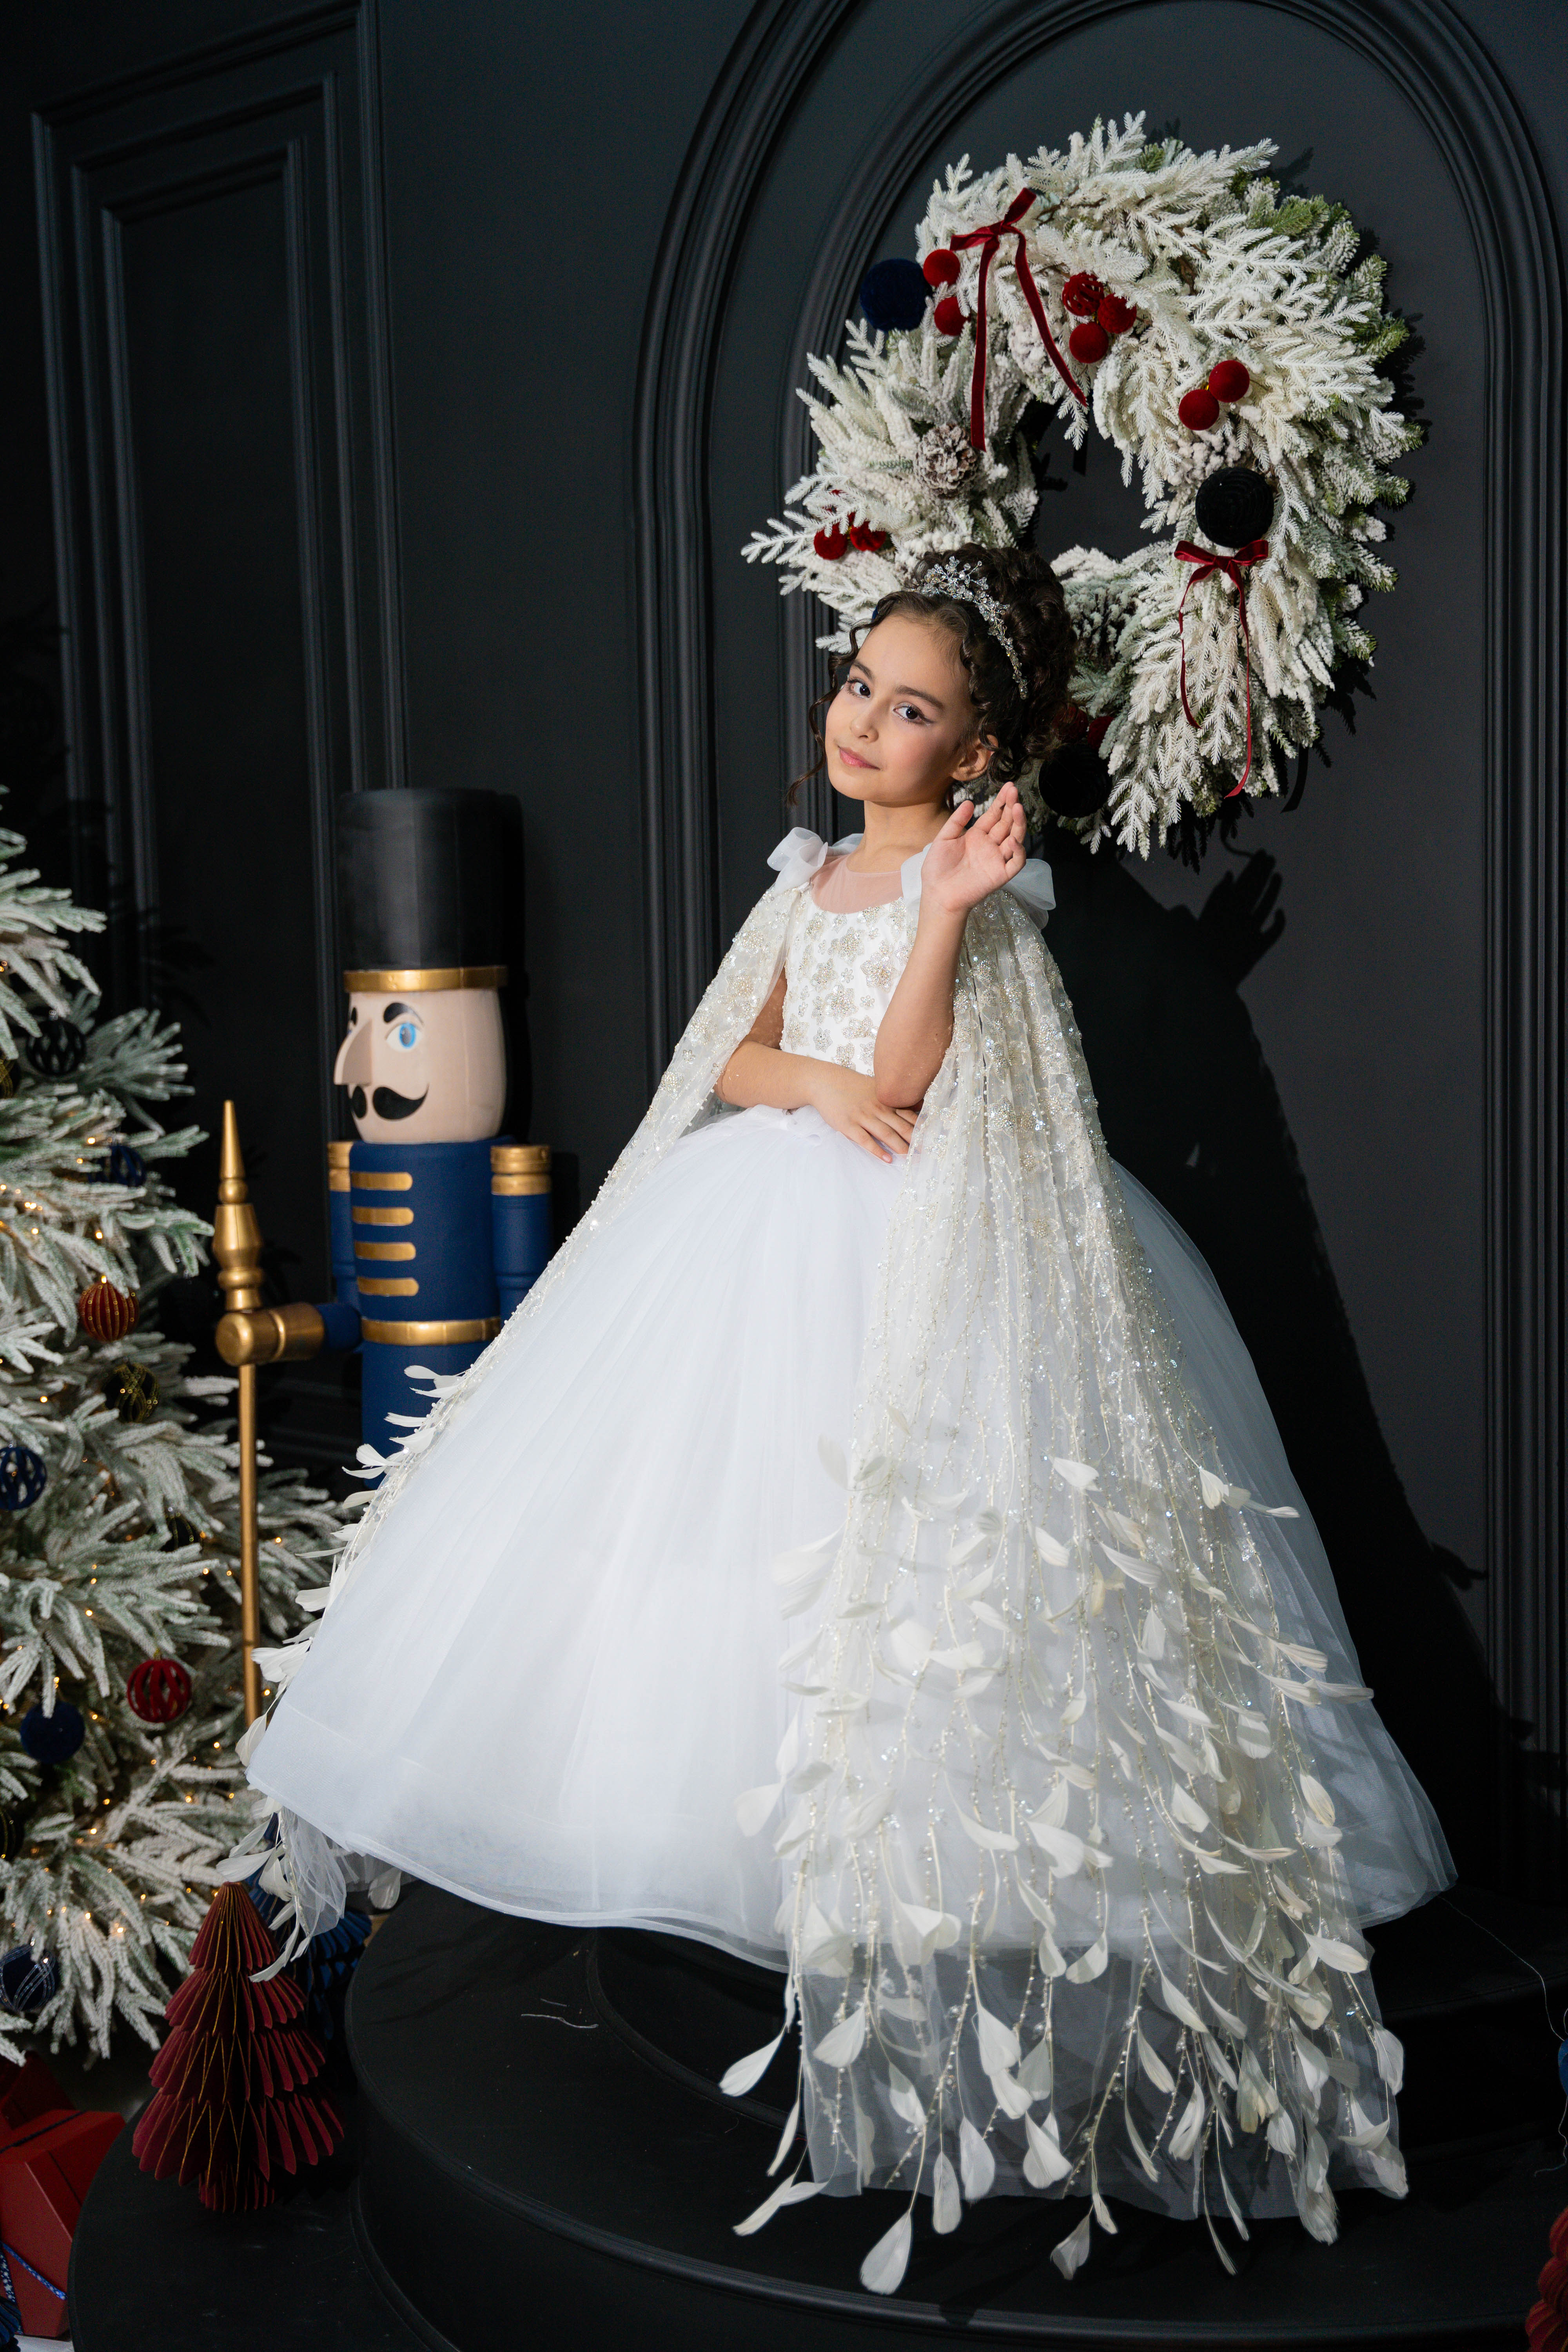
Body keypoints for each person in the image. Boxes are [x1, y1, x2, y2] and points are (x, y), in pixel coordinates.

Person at [238, 544, 1455, 2292]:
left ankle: (929, 1900)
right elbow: (723, 1058)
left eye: (910, 707)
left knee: (911, 1546)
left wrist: (947, 910)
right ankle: (741, 1863)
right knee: (729, 1539)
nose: (862, 720)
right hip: (759, 1228)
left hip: (931, 1254)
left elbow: (906, 1081)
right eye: (857, 684)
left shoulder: (972, 896)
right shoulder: (806, 876)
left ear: (972, 756)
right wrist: (796, 1074)